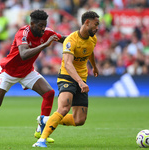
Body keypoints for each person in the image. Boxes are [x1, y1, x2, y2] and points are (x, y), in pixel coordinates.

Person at [0, 9, 66, 145]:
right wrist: (45, 44)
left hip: (26, 72)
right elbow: (24, 54)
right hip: (9, 72)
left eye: (45, 25)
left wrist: (81, 37)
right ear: (32, 23)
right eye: (40, 26)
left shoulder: (47, 33)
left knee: (49, 93)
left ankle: (41, 131)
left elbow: (65, 39)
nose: (43, 28)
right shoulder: (23, 33)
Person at [32, 10, 100, 148]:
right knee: (63, 108)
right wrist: (80, 82)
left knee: (79, 120)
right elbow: (68, 64)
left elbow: (90, 51)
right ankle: (41, 140)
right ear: (87, 22)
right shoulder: (71, 40)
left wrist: (94, 66)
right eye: (95, 24)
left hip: (82, 78)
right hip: (67, 77)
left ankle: (46, 120)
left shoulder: (93, 38)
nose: (97, 27)